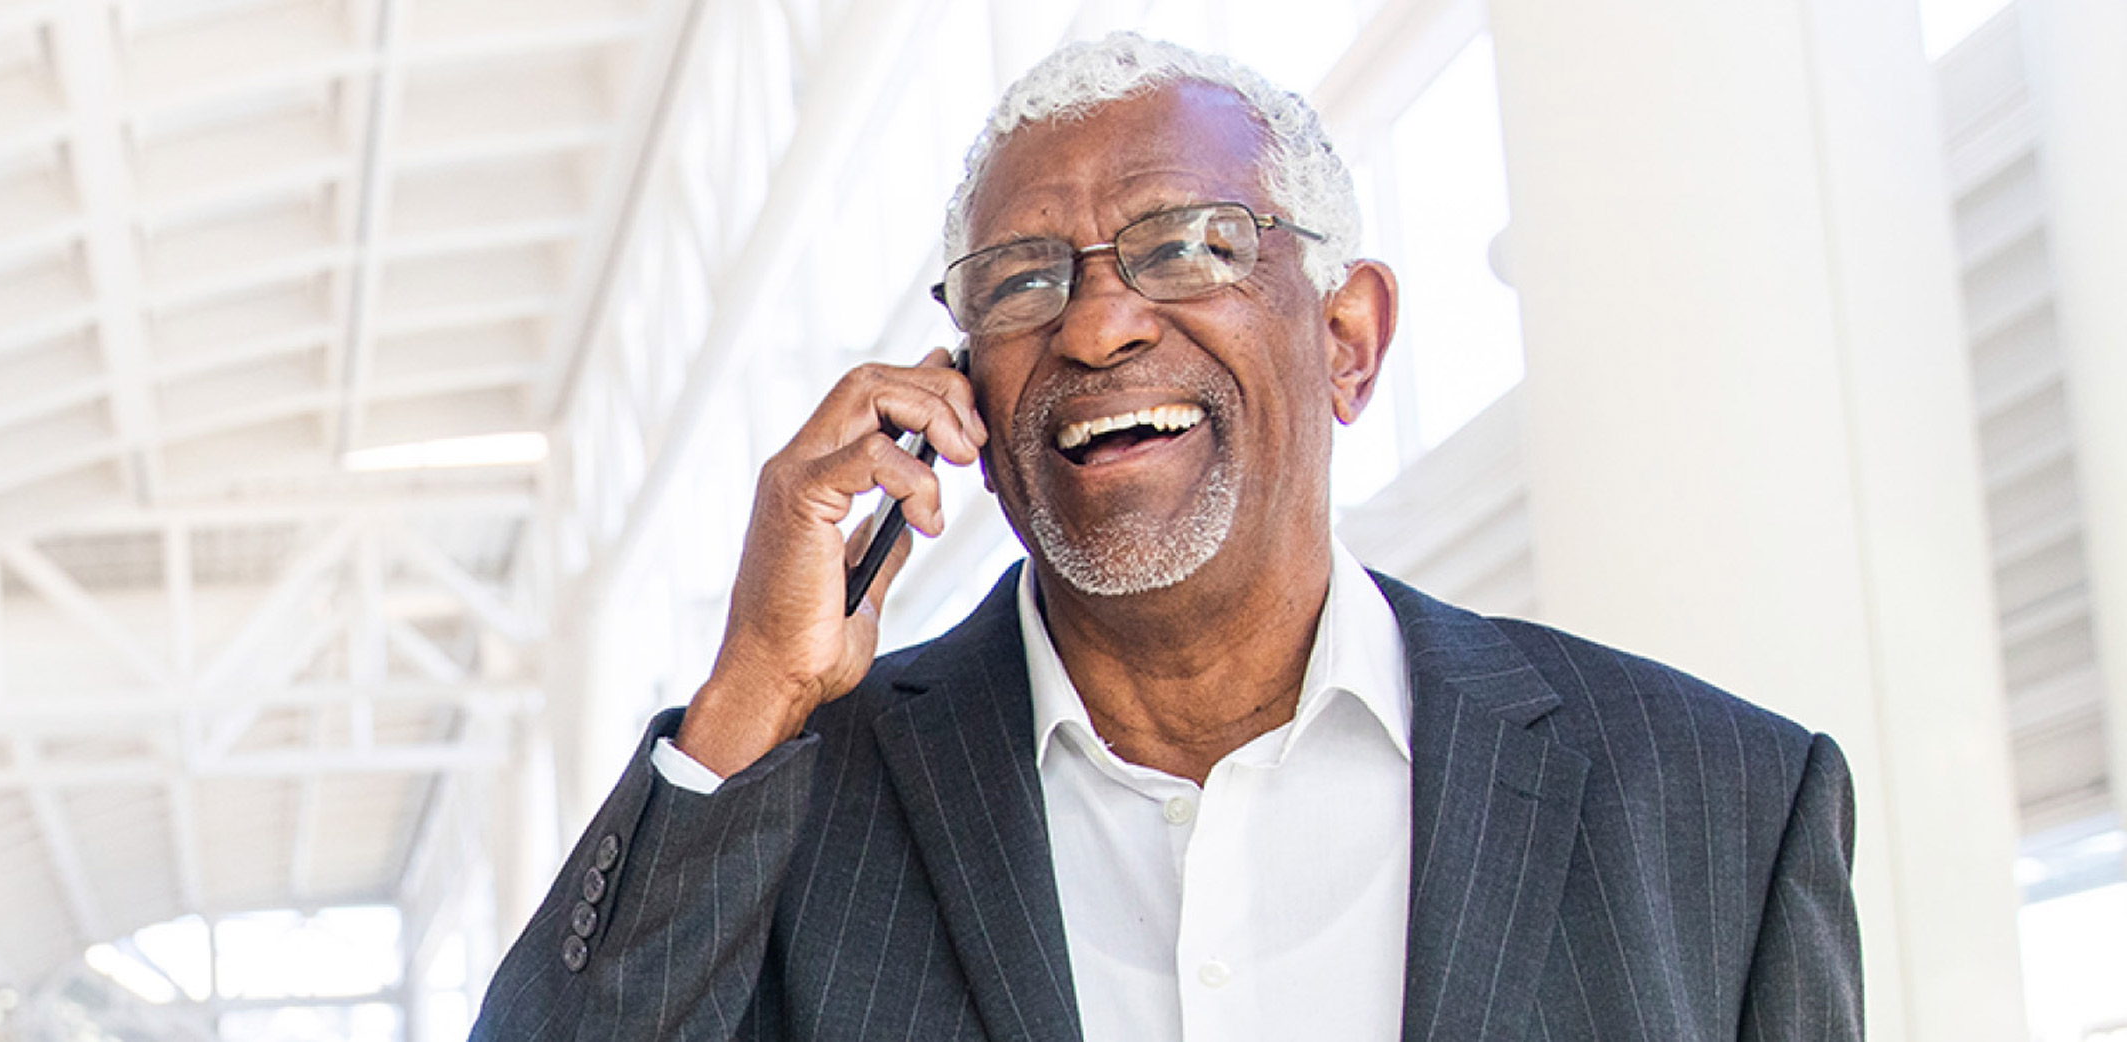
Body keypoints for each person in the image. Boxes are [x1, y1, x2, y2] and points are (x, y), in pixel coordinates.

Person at [472, 31, 1860, 1042]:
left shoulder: (1718, 802)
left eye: (1187, 246)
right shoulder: (792, 808)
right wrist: (751, 698)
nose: (1094, 324)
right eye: (1022, 282)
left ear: (1348, 339)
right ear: (962, 393)